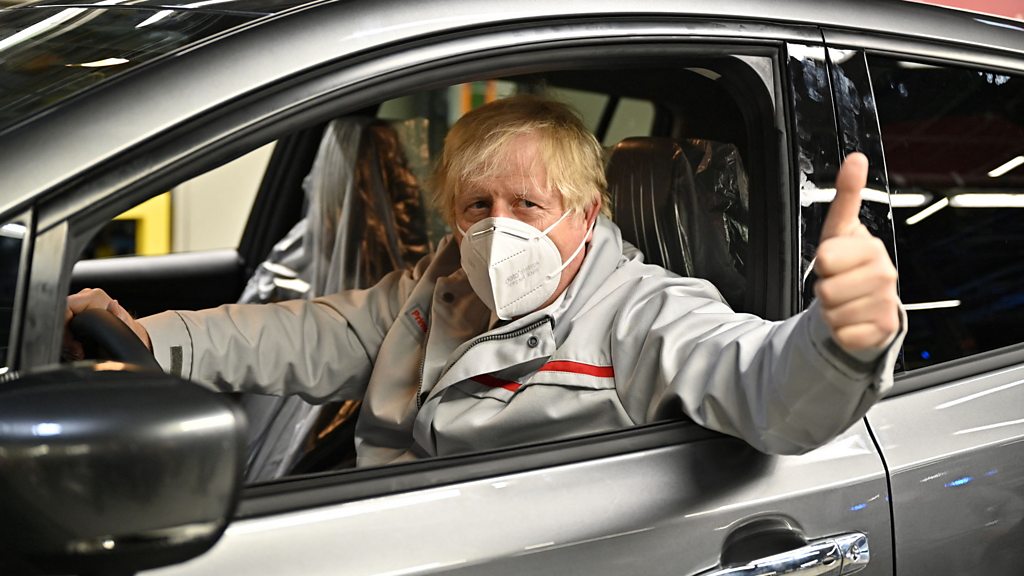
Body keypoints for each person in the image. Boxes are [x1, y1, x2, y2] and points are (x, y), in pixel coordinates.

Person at [66, 95, 904, 467]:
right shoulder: (438, 286)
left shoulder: (645, 314)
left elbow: (766, 386)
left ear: (587, 213)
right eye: (478, 205)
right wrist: (153, 340)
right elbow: (307, 333)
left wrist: (841, 340)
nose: (498, 229)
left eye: (528, 205)